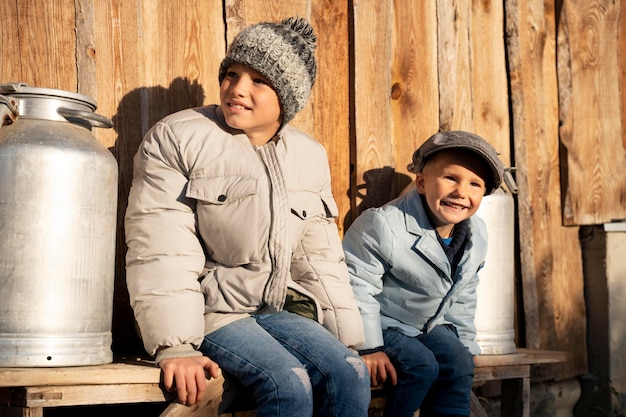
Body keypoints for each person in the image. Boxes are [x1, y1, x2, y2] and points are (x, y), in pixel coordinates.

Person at [124, 17, 370, 417]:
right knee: (286, 382)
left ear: (287, 97)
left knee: (349, 374)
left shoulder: (309, 156)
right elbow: (161, 247)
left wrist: (355, 343)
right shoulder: (177, 138)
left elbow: (319, 258)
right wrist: (176, 346)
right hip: (209, 312)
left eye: (260, 81)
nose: (238, 89)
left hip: (278, 310)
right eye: (232, 74)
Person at [342, 130, 506, 417]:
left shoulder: (476, 233)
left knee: (459, 362)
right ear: (421, 182)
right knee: (421, 365)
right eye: (450, 178)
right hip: (381, 323)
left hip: (426, 326)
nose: (461, 192)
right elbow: (356, 286)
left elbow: (464, 292)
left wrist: (465, 341)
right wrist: (369, 347)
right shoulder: (383, 225)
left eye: (475, 184)